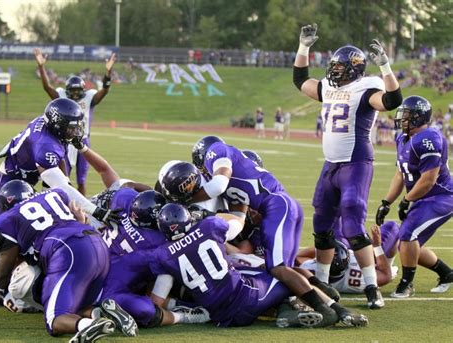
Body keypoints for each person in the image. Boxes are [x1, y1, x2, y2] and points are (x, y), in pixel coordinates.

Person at [189, 136, 368, 327]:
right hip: (281, 206)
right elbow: (238, 219)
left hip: (276, 206)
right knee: (283, 270)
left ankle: (324, 309)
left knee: (278, 269)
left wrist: (188, 199)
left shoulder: (216, 151)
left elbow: (218, 185)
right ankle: (334, 305)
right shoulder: (233, 182)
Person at [293, 23, 403, 309]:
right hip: (330, 166)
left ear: (354, 68)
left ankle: (370, 287)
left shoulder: (367, 88)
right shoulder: (329, 87)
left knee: (353, 223)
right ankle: (323, 282)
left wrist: (385, 67)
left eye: (340, 67)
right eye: (334, 66)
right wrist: (304, 47)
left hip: (356, 164)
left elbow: (392, 101)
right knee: (322, 225)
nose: (335, 71)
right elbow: (300, 80)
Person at [0, 180, 137, 340]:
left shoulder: (7, 220)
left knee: (54, 320)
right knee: (74, 302)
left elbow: (2, 273)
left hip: (66, 249)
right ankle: (99, 312)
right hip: (96, 242)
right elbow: (73, 215)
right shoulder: (55, 194)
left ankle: (86, 325)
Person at [149, 203, 326, 328]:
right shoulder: (208, 227)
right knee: (285, 277)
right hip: (246, 299)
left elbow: (156, 301)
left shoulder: (162, 255)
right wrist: (204, 215)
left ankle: (285, 312)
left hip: (220, 316)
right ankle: (330, 306)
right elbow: (236, 222)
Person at [0, 98, 119, 225]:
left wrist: (66, 181)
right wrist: (96, 211)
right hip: (7, 187)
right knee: (18, 234)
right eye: (72, 128)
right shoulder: (45, 145)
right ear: (58, 126)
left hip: (20, 183)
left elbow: (59, 162)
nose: (76, 131)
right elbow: (61, 187)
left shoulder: (51, 130)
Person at [375, 96, 453, 297]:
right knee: (406, 244)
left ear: (420, 117)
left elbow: (428, 180)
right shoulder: (402, 138)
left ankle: (407, 284)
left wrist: (406, 200)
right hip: (422, 196)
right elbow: (400, 173)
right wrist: (387, 202)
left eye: (408, 116)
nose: (403, 119)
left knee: (408, 234)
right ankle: (447, 273)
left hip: (441, 196)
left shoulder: (429, 139)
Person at [34, 48, 117, 195]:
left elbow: (105, 90)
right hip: (65, 140)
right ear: (67, 91)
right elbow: (47, 87)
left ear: (83, 90)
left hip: (83, 141)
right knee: (63, 177)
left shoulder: (89, 97)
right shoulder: (61, 95)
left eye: (78, 91)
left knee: (82, 180)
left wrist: (108, 72)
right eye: (72, 91)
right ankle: (61, 205)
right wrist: (41, 66)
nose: (76, 94)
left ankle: (80, 211)